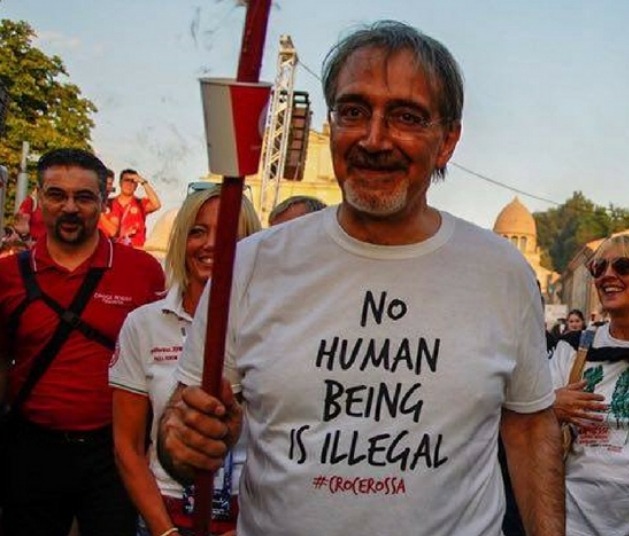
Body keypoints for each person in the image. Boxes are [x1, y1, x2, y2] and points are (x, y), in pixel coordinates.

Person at [158, 21, 564, 536]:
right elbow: (180, 432)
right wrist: (185, 439)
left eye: (406, 116)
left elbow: (528, 427)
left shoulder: (501, 273)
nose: (374, 139)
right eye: (353, 111)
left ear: (447, 141)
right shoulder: (251, 265)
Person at [0, 148, 165, 536]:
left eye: (84, 197)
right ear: (40, 198)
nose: (70, 207)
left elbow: (160, 362)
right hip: (31, 449)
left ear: (103, 202)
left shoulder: (142, 271)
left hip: (114, 454)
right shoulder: (7, 275)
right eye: (57, 195)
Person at [109, 186, 260, 536]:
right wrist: (165, 531)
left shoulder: (272, 327)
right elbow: (127, 446)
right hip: (165, 513)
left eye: (229, 234)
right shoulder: (144, 324)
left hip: (252, 517)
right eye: (197, 231)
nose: (211, 244)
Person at [550, 235, 629, 535]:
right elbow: (527, 419)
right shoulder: (573, 347)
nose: (607, 275)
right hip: (576, 521)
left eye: (622, 266)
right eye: (598, 267)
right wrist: (552, 405)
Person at [110, 168, 161, 247]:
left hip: (136, 249)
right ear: (120, 183)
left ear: (136, 185)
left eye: (133, 181)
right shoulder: (109, 203)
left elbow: (157, 205)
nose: (129, 184)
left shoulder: (141, 203)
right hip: (114, 249)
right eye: (126, 180)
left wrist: (143, 182)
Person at [98, 168, 118, 238]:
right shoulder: (89, 201)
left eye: (110, 184)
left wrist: (100, 213)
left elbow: (113, 232)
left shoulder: (114, 204)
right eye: (104, 183)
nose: (107, 187)